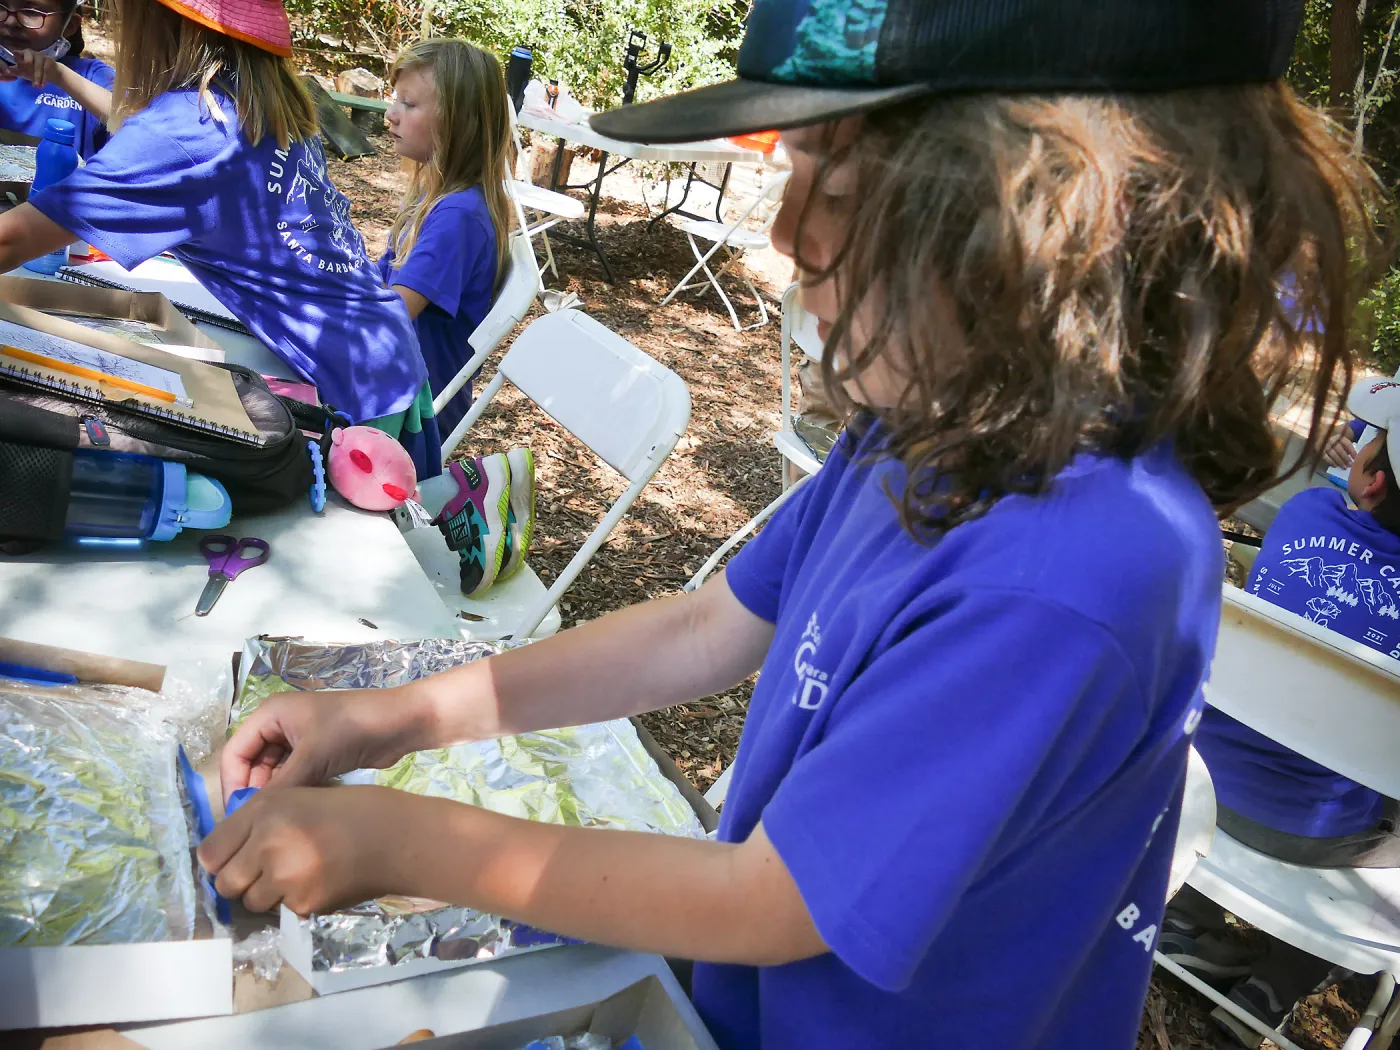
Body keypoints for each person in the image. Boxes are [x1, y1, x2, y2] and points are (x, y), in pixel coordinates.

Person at [198, 2, 1389, 1048]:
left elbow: (768, 903)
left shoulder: (1080, 565)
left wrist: (395, 842)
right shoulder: (935, 422)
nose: (780, 233)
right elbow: (710, 624)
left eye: (834, 169)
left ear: (1039, 223)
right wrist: (397, 716)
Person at [0, 0, 441, 475]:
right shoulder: (261, 103)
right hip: (382, 345)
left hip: (352, 383)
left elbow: (12, 240)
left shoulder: (190, 134)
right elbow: (148, 135)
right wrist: (61, 75)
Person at [1173, 378, 1400, 1044]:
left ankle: (1187, 924)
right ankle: (1274, 987)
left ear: (1371, 480)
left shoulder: (1305, 514)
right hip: (1321, 842)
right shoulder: (1345, 497)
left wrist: (1347, 482)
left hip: (1202, 788)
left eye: (1372, 441)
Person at [379, 38, 513, 440]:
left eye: (409, 103)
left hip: (411, 421)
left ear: (458, 122)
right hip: (392, 388)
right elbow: (380, 287)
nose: (390, 115)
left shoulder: (459, 217)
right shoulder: (436, 199)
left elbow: (389, 316)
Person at [0, 0, 113, 159]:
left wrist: (60, 76)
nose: (11, 21)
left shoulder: (92, 75)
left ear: (69, 26)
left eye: (31, 12)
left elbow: (137, 121)